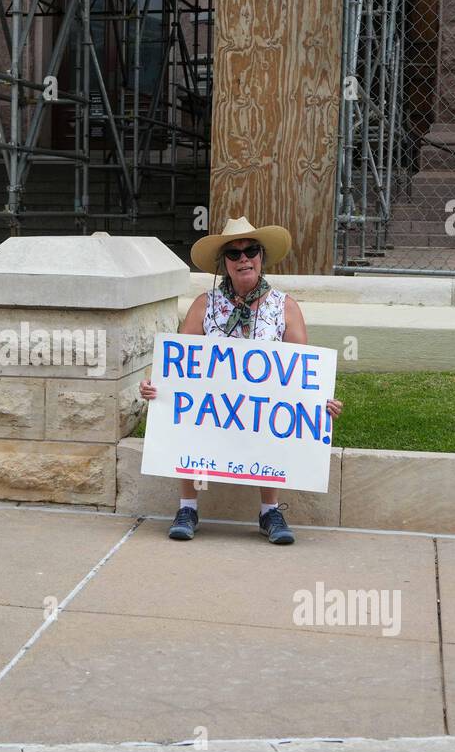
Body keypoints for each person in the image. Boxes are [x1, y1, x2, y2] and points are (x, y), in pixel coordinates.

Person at [139, 217, 345, 545]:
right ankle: (188, 507)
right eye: (234, 255)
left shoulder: (284, 307)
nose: (243, 259)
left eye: (251, 251)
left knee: (273, 421)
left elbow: (301, 371)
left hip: (262, 404)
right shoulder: (205, 305)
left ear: (262, 258)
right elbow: (177, 363)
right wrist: (156, 385)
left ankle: (270, 510)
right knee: (189, 421)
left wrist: (320, 402)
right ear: (224, 265)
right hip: (214, 405)